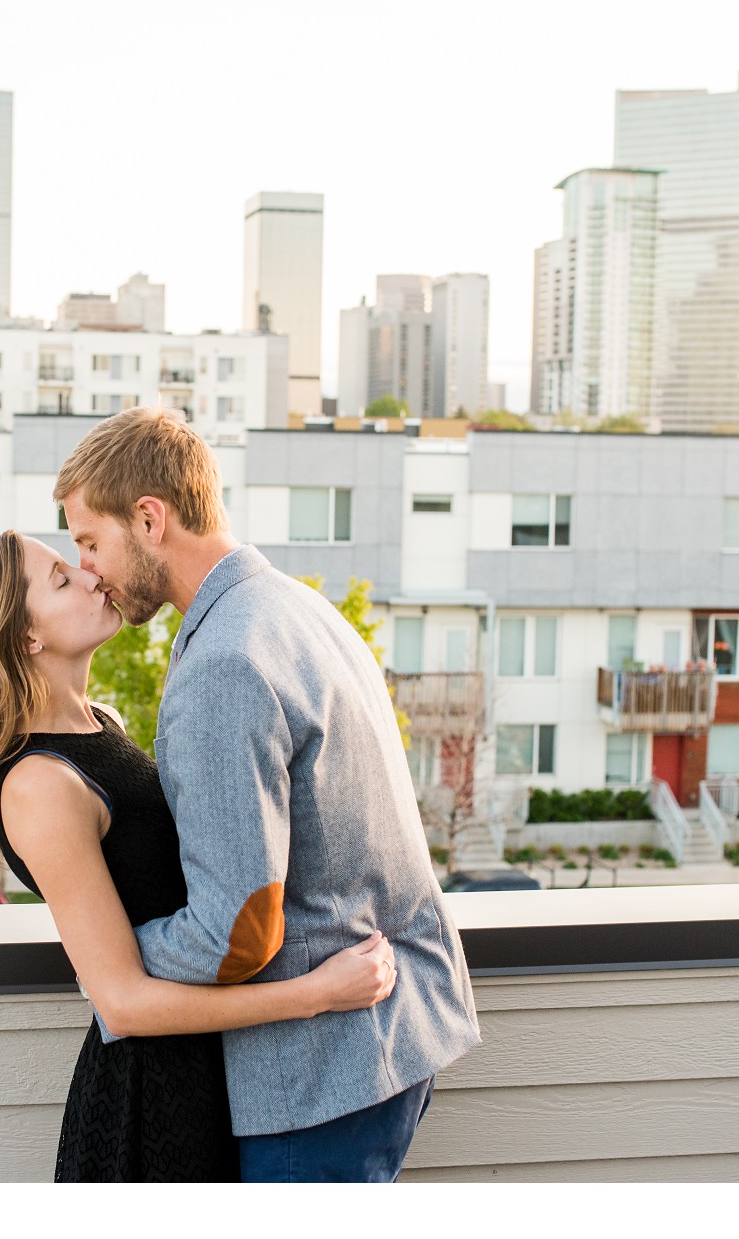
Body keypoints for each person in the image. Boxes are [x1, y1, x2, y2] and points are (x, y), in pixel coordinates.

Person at [54, 406, 482, 1183]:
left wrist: (110, 959)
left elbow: (238, 933)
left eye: (90, 541)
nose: (88, 570)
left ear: (149, 518)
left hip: (317, 1078)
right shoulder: (291, 605)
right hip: (391, 1036)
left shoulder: (225, 661)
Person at [0, 529, 400, 1182]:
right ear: (25, 636)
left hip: (215, 1070)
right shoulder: (40, 784)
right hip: (156, 1103)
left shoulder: (99, 723)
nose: (89, 574)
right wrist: (315, 992)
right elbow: (123, 1003)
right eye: (61, 578)